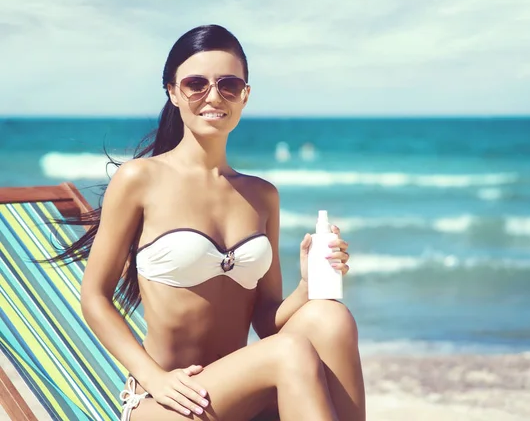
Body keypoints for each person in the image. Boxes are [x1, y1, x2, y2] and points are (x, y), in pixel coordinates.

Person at [56, 25, 365, 420]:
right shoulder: (140, 180)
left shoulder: (261, 195)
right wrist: (153, 378)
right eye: (195, 84)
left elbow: (267, 322)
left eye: (229, 85)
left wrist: (307, 287)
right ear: (173, 91)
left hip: (238, 397)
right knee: (290, 352)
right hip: (166, 402)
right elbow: (95, 298)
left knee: (330, 316)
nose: (213, 97)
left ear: (245, 95)